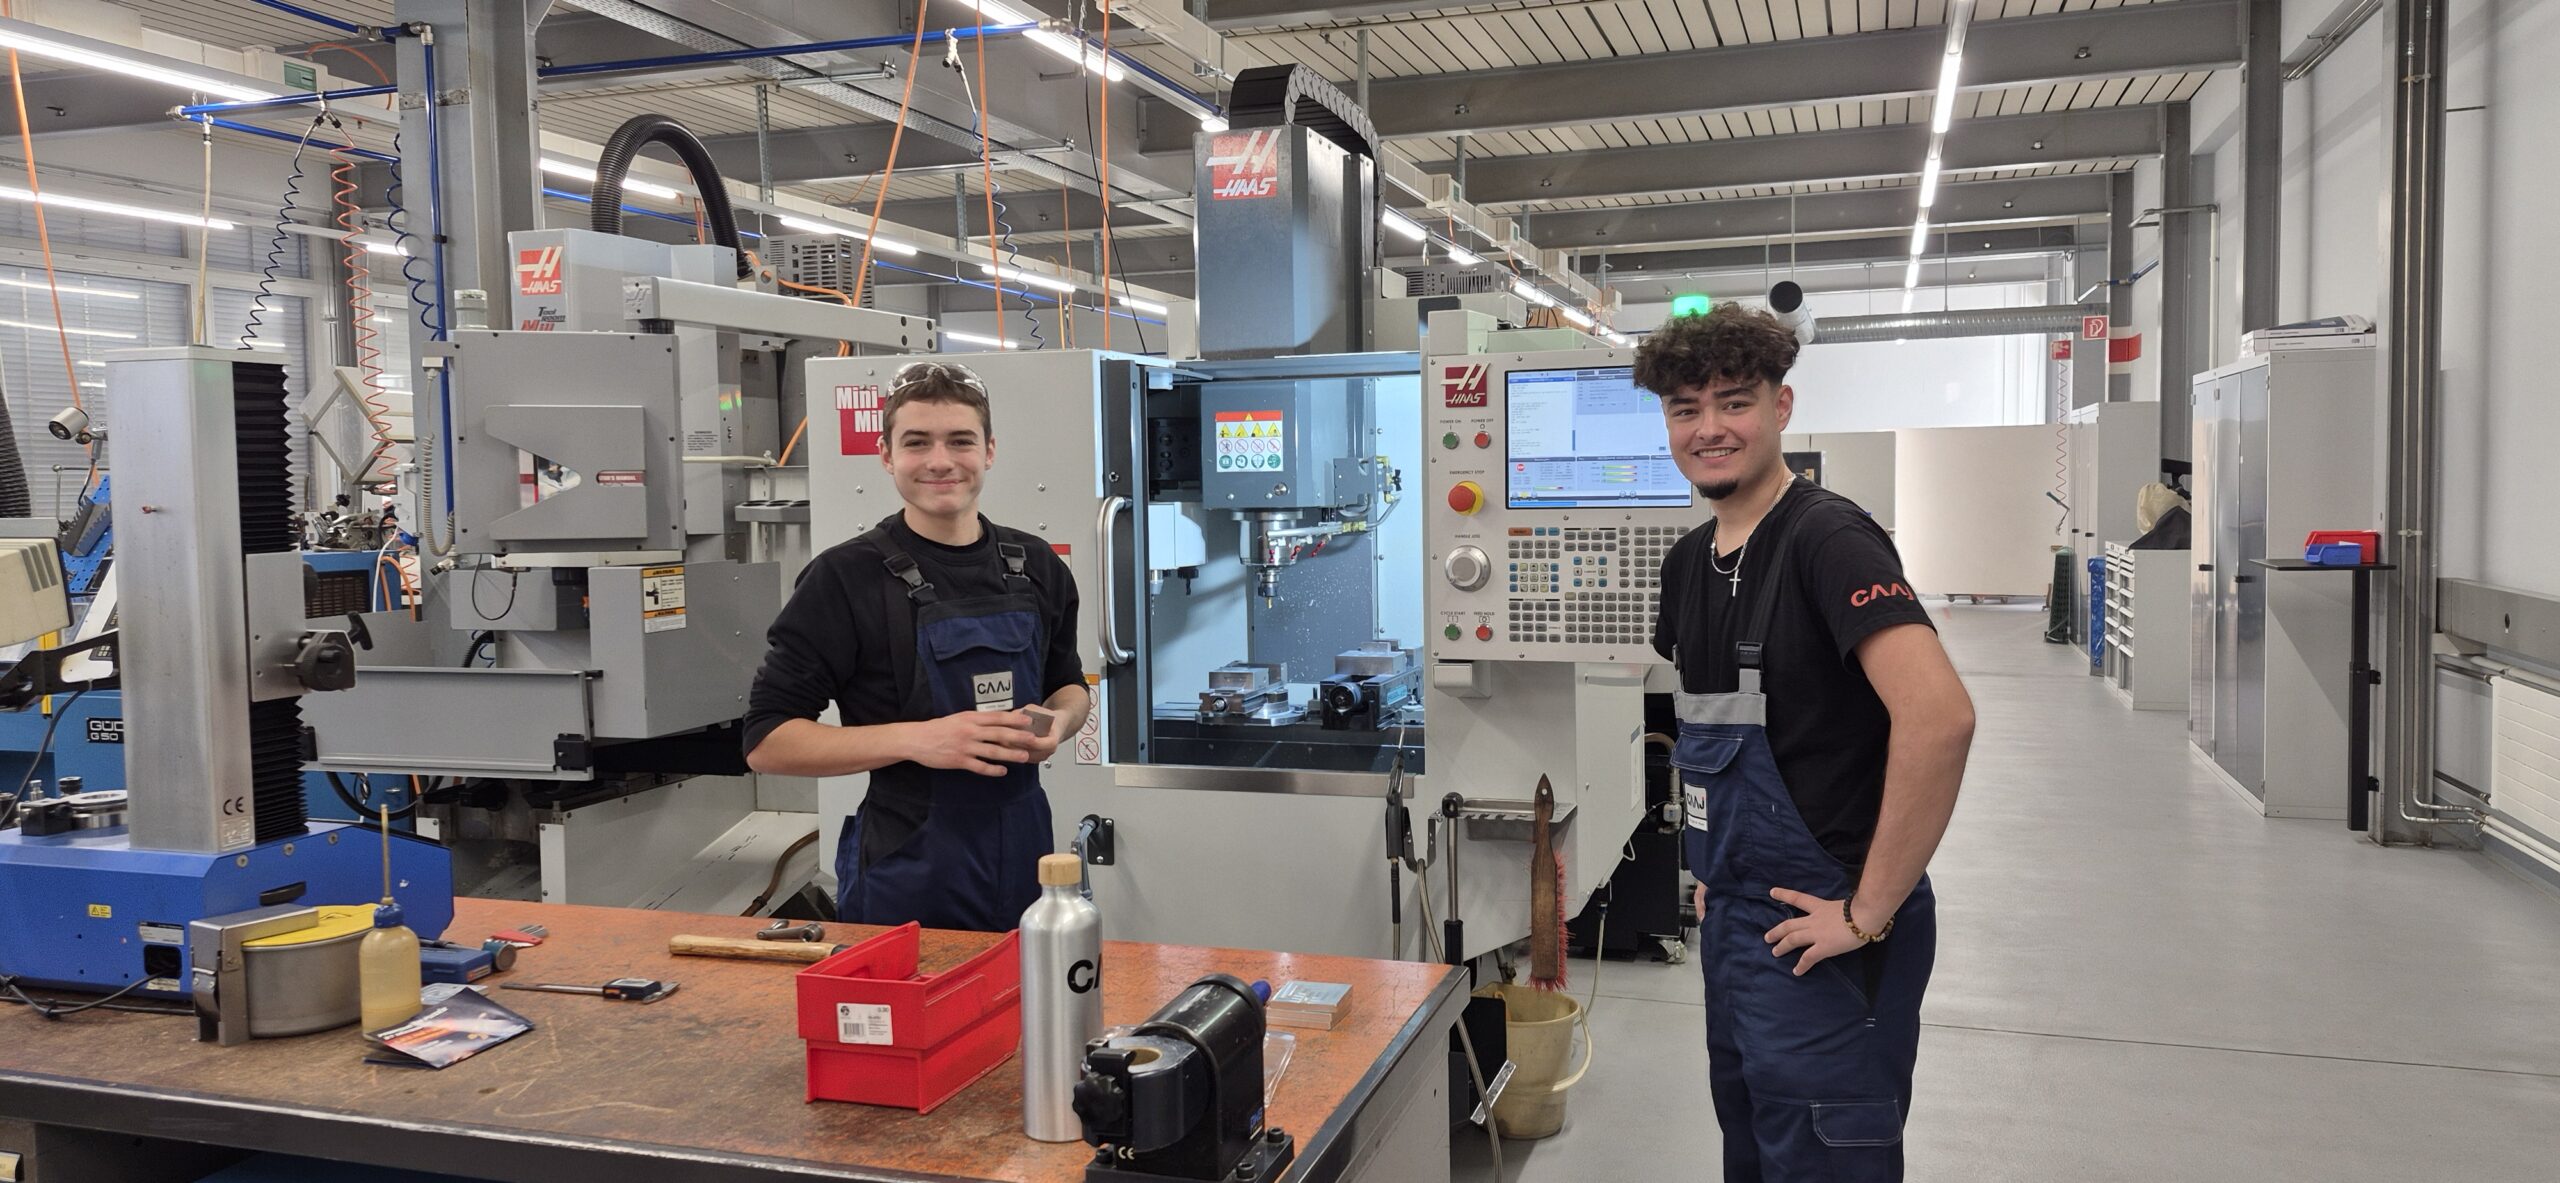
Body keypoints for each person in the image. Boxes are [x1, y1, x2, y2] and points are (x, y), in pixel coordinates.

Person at [1642, 306, 1976, 1180]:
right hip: (1741, 926)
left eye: (1732, 401)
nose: (1709, 427)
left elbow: (1940, 719)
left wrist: (1869, 912)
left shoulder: (1829, 541)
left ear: (1782, 406)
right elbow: (1720, 736)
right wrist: (1717, 876)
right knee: (1753, 1147)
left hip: (1831, 933)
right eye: (1685, 408)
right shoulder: (1689, 564)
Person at [742, 360, 1091, 931]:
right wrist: (922, 739)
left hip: (1030, 850)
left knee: (1030, 1012)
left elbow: (1068, 684)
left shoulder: (1036, 566)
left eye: (960, 441)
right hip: (909, 866)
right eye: (916, 442)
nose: (939, 461)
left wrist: (1060, 723)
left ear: (989, 450)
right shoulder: (845, 578)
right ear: (886, 455)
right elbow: (768, 742)